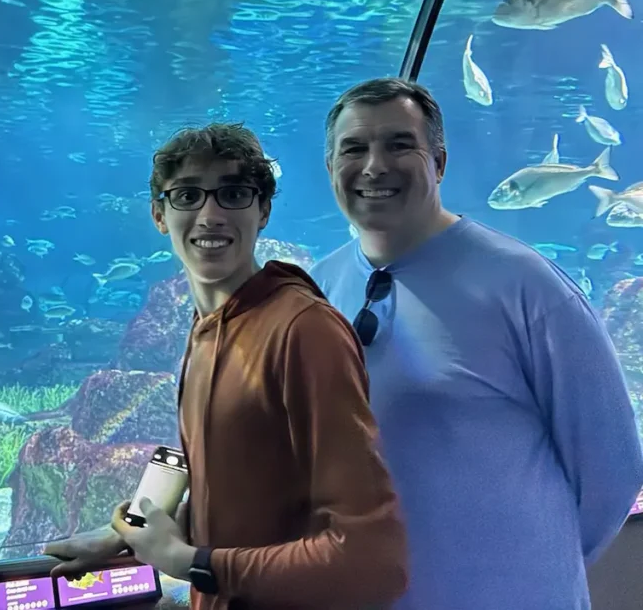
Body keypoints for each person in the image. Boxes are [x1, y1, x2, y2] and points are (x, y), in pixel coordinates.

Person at [309, 76, 643, 610]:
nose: (375, 166)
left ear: (439, 162)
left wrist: (535, 572)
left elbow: (614, 468)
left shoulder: (527, 286)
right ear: (330, 168)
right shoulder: (316, 290)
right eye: (354, 149)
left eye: (400, 145)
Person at [45, 123, 409, 609]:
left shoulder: (304, 332)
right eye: (188, 195)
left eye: (234, 193)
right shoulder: (209, 325)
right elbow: (248, 496)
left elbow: (373, 561)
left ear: (263, 211)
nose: (210, 215)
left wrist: (188, 562)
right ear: (159, 214)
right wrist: (128, 533)